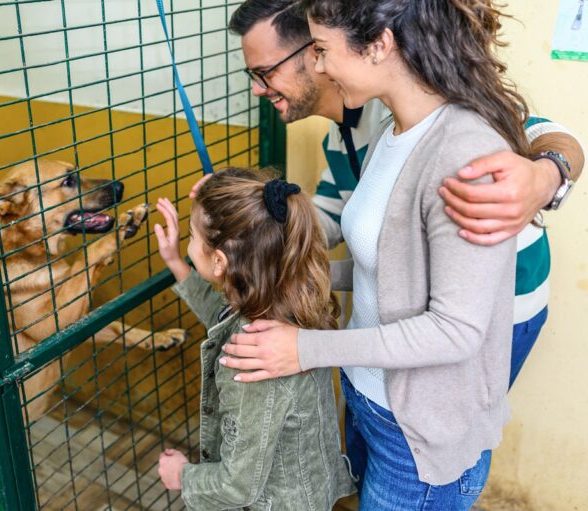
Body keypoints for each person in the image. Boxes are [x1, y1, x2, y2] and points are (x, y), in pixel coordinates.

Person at [214, 0, 545, 508]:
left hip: (420, 425)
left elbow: (454, 331)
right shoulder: (389, 133)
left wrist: (305, 348)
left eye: (322, 49)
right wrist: (288, 271)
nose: (319, 65)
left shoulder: (463, 149)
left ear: (378, 45)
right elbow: (386, 260)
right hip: (373, 394)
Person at [222, 0, 584, 390]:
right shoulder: (345, 135)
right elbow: (330, 217)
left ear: (315, 50)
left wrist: (546, 175)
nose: (257, 88)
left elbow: (543, 132)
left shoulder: (412, 111)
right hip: (410, 318)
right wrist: (248, 228)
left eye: (265, 72)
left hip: (502, 306)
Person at [153, 168, 355, 509]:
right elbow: (224, 318)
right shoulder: (288, 299)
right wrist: (176, 261)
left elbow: (237, 486)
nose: (188, 245)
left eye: (191, 236)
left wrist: (182, 476)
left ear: (219, 261)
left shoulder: (252, 360)